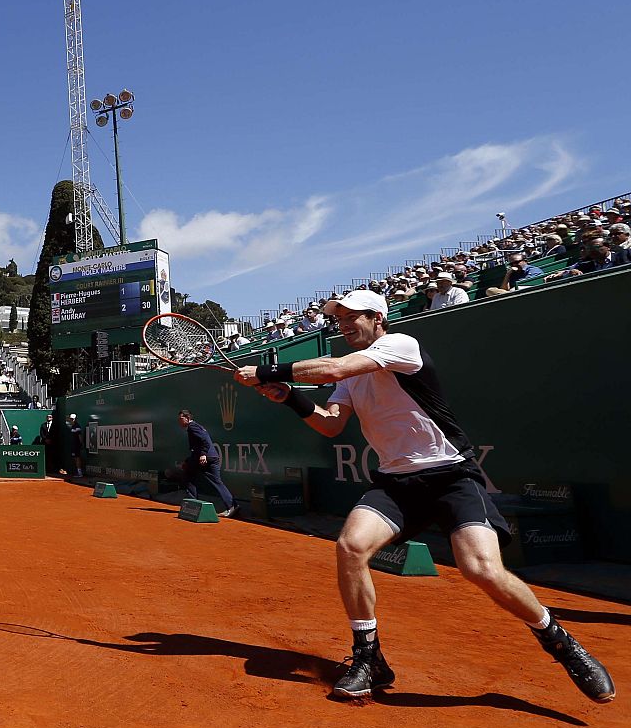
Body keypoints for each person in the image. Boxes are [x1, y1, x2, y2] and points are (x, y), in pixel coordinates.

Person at [235, 289, 613, 704]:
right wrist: (291, 397)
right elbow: (329, 424)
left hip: (451, 476)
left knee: (481, 569)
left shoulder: (400, 345)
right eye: (337, 318)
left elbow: (333, 370)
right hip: (397, 484)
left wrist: (270, 371)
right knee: (351, 546)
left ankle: (560, 642)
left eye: (352, 316)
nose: (342, 323)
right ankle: (369, 659)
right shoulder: (351, 377)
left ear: (378, 317)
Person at [178, 409, 235, 517]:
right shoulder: (197, 426)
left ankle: (192, 505)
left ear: (188, 418)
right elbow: (199, 445)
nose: (180, 422)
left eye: (181, 419)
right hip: (211, 457)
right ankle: (232, 506)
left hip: (205, 457)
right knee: (217, 481)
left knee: (188, 474)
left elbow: (205, 440)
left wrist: (203, 454)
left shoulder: (192, 427)